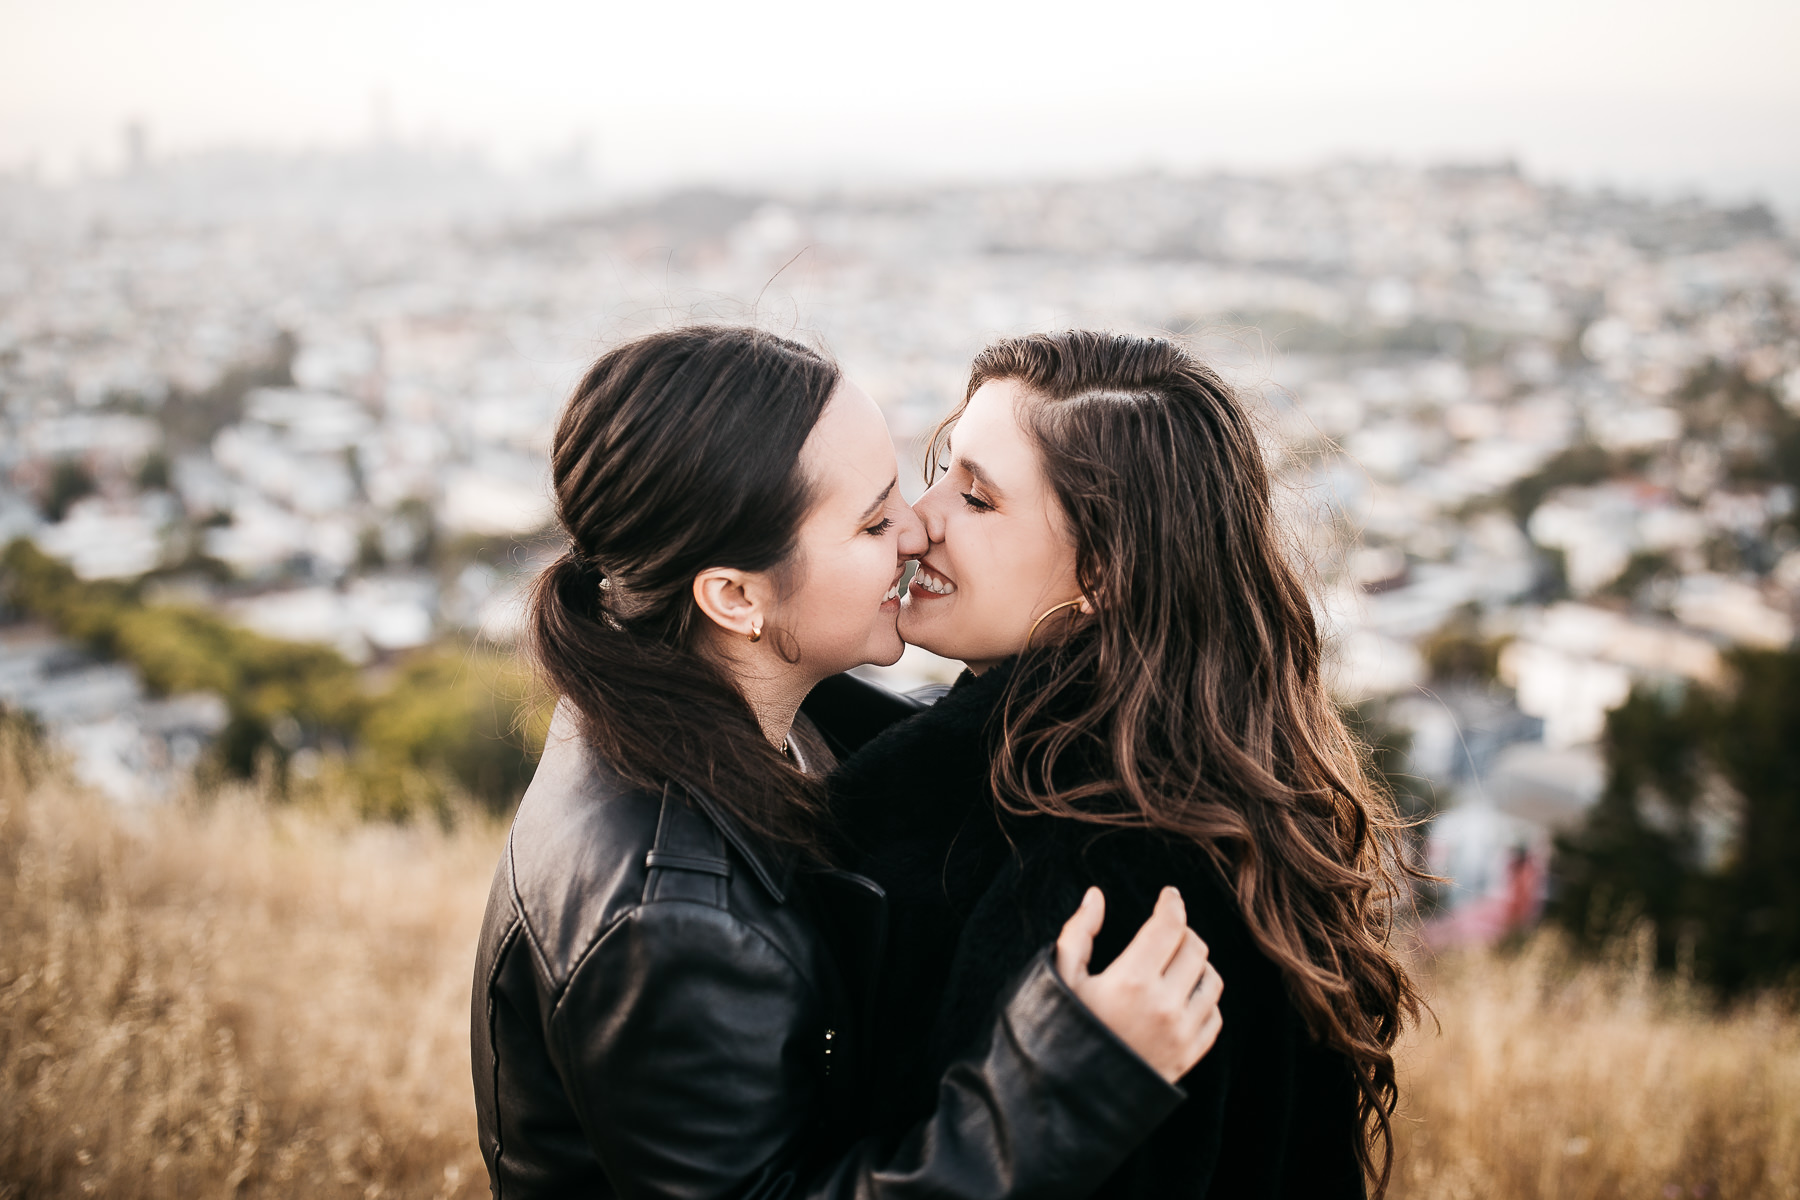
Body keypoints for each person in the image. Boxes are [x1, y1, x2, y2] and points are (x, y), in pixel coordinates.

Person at [470, 325, 1225, 1199]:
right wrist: (1060, 1089)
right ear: (736, 596)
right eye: (872, 521)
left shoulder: (708, 713)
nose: (915, 529)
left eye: (915, 487)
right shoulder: (670, 919)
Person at [818, 330, 1425, 1199]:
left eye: (978, 500)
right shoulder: (1208, 794)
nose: (919, 519)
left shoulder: (1090, 877)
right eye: (943, 470)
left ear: (1101, 569)